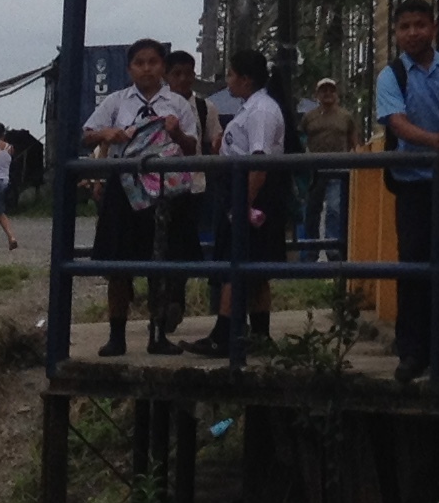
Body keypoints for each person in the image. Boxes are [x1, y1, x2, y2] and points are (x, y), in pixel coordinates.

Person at [375, 0, 439, 381]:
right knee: (414, 267)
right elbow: (396, 123)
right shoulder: (393, 75)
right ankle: (412, 352)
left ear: (433, 28)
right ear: (397, 33)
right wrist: (434, 142)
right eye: (404, 27)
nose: (412, 32)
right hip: (414, 184)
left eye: (419, 24)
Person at [82, 39, 200, 357]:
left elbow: (192, 148)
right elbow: (87, 132)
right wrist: (106, 134)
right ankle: (116, 335)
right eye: (140, 63)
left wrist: (175, 134)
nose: (147, 68)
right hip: (125, 189)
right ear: (130, 68)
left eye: (153, 62)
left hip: (166, 192)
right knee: (119, 263)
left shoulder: (178, 104)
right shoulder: (117, 102)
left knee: (161, 262)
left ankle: (158, 333)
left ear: (162, 67)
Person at [199, 44, 287, 355]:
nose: (228, 79)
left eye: (232, 74)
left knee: (235, 263)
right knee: (252, 266)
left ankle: (225, 334)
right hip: (240, 185)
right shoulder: (250, 106)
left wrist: (243, 204)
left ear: (246, 79)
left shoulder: (261, 110)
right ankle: (258, 335)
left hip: (250, 189)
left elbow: (259, 161)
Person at [156, 50, 214, 340]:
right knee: (159, 246)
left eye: (187, 73)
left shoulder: (204, 108)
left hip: (193, 186)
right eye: (176, 73)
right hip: (158, 187)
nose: (182, 79)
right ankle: (163, 304)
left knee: (183, 244)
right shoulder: (157, 106)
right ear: (167, 76)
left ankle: (174, 299)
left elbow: (212, 144)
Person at [299, 75, 359, 258]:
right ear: (317, 94)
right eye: (323, 90)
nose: (327, 93)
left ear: (336, 93)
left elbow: (354, 142)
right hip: (314, 169)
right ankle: (311, 251)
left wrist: (352, 158)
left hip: (338, 169)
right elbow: (301, 139)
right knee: (312, 210)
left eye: (330, 90)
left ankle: (333, 252)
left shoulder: (346, 116)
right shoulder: (309, 117)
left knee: (334, 208)